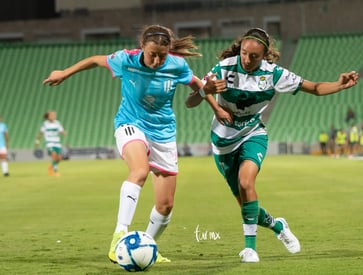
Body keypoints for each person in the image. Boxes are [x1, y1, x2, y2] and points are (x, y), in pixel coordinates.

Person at [42, 25, 226, 264]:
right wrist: (65, 73)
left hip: (163, 133)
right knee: (139, 171)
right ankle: (120, 234)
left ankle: (147, 246)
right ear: (142, 48)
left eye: (162, 55)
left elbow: (196, 89)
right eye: (152, 54)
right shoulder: (125, 59)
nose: (157, 60)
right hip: (130, 123)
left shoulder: (177, 65)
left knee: (166, 205)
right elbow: (95, 60)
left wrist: (216, 105)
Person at [186, 27, 359, 263]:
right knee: (248, 206)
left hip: (252, 134)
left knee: (247, 182)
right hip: (223, 142)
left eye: (254, 56)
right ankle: (278, 225)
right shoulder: (224, 67)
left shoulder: (274, 74)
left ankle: (250, 249)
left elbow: (315, 88)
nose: (247, 59)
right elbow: (191, 101)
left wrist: (338, 85)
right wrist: (204, 91)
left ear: (264, 55)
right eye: (245, 53)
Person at [35, 111, 67, 176]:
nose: (53, 116)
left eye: (54, 115)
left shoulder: (57, 123)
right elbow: (40, 133)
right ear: (48, 117)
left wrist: (64, 133)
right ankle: (56, 172)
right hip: (49, 143)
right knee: (54, 155)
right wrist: (37, 142)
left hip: (57, 143)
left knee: (59, 158)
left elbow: (61, 131)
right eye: (51, 115)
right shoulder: (45, 124)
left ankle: (51, 166)